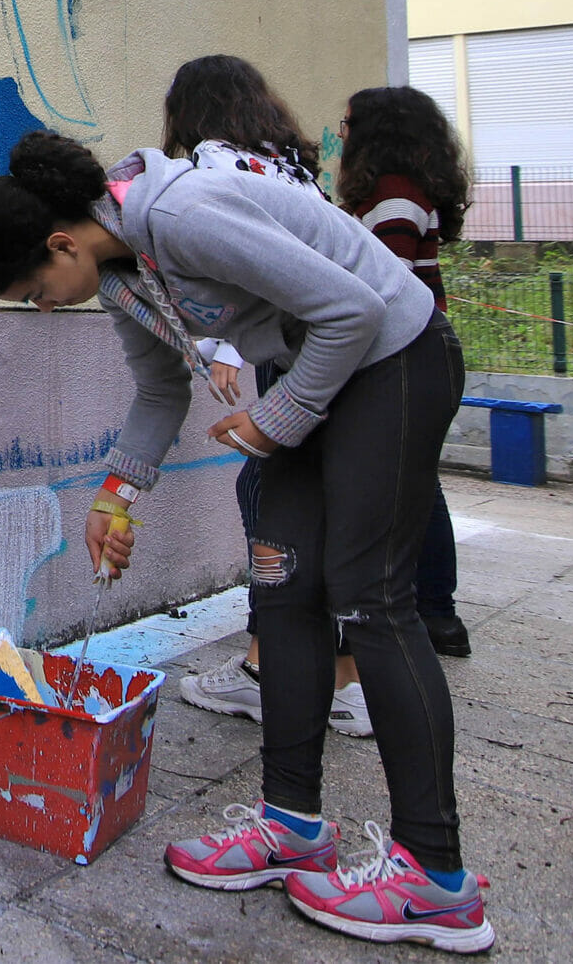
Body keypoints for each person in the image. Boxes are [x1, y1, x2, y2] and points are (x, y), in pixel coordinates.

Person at [0, 130, 492, 952]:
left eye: (34, 289)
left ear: (61, 242)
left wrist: (276, 418)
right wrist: (116, 495)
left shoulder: (183, 213)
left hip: (395, 358)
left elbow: (354, 309)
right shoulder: (121, 276)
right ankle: (291, 824)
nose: (42, 305)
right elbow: (158, 388)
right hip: (312, 375)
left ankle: (436, 877)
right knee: (281, 587)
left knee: (371, 599)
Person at [151, 57, 378, 739]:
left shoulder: (216, 166)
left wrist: (224, 349)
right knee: (305, 501)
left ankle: (271, 670)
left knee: (273, 500)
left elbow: (247, 266)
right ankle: (333, 675)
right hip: (339, 356)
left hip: (307, 353)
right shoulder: (285, 164)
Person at [335, 85, 476, 660]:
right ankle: (437, 610)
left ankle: (436, 611)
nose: (340, 134)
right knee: (417, 480)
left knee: (412, 484)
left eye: (347, 125)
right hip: (412, 351)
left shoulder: (394, 198)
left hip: (401, 353)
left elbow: (383, 286)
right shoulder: (401, 193)